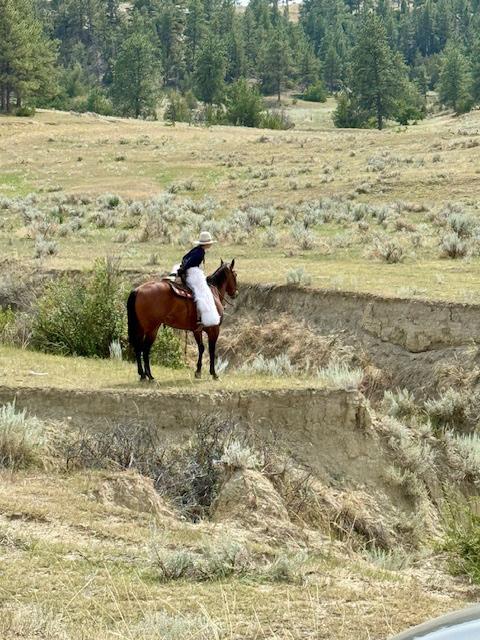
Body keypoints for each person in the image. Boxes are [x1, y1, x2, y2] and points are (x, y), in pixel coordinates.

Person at [177, 231, 221, 328]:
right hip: (194, 274)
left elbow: (185, 258)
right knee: (203, 294)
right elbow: (190, 262)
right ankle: (202, 317)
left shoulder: (196, 249)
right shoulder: (200, 252)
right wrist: (183, 268)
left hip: (190, 271)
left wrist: (183, 268)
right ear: (207, 244)